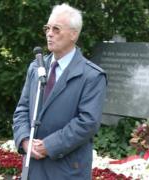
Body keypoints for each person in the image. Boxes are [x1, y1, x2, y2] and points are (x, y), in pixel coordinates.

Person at [13, 3, 107, 180]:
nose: (49, 33)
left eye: (56, 29)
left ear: (74, 34)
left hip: (67, 169)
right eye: (47, 28)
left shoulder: (92, 76)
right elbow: (22, 110)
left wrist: (49, 145)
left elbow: (88, 122)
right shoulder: (36, 68)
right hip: (33, 167)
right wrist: (25, 140)